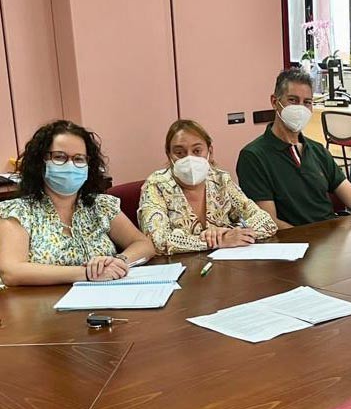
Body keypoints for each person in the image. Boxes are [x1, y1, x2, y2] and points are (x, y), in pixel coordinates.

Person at [237, 69, 351, 228]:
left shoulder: (317, 150)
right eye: (293, 100)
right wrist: (310, 242)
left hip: (331, 236)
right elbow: (270, 222)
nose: (301, 108)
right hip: (297, 243)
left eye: (307, 102)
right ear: (275, 102)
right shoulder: (253, 156)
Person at [0, 121, 156, 286]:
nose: (70, 165)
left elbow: (144, 244)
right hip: (41, 301)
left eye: (79, 159)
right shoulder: (18, 211)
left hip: (104, 297)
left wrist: (119, 261)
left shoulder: (100, 206)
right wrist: (87, 273)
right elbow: (11, 272)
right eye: (59, 157)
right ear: (40, 162)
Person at [139, 120, 278, 255]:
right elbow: (157, 241)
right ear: (169, 155)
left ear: (210, 152)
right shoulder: (156, 185)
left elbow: (266, 222)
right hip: (180, 267)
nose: (189, 158)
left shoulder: (221, 180)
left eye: (197, 150)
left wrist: (230, 232)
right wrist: (215, 241)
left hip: (225, 265)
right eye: (180, 153)